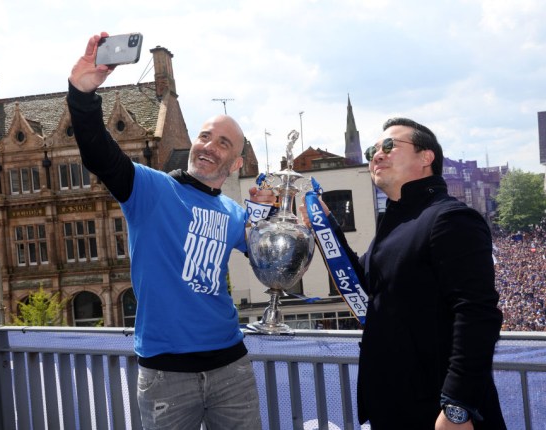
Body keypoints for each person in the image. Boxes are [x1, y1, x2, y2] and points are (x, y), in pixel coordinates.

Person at [67, 32, 262, 430]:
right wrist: (81, 96)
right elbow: (99, 154)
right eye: (205, 136)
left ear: (237, 163)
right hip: (165, 376)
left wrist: (285, 220)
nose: (209, 146)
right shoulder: (151, 189)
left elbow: (274, 266)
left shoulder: (233, 213)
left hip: (231, 365)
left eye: (223, 143)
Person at [300, 118, 506, 429]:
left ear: (426, 157)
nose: (376, 155)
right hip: (392, 404)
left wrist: (457, 405)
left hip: (437, 408)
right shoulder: (395, 222)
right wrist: (326, 227)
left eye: (388, 146)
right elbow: (365, 287)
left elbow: (477, 314)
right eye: (372, 150)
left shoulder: (451, 218)